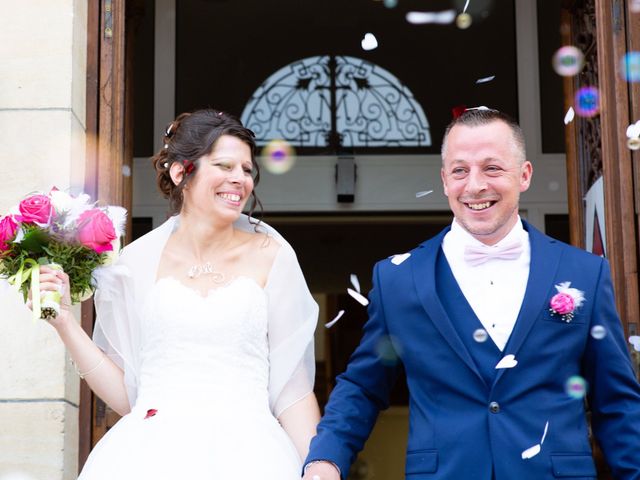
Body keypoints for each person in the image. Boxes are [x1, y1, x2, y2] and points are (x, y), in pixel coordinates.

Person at [303, 108, 640, 480]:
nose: (475, 185)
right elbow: (363, 387)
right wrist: (326, 458)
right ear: (445, 180)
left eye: (492, 168)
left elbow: (617, 402)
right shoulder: (397, 280)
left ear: (524, 175)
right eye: (460, 170)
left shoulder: (584, 273)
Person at [33, 109, 321, 479]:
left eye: (247, 170)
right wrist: (65, 323)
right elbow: (126, 395)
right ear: (181, 171)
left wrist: (315, 467)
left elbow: (293, 394)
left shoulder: (272, 256)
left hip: (251, 454)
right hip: (149, 455)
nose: (240, 180)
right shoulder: (134, 262)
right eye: (225, 166)